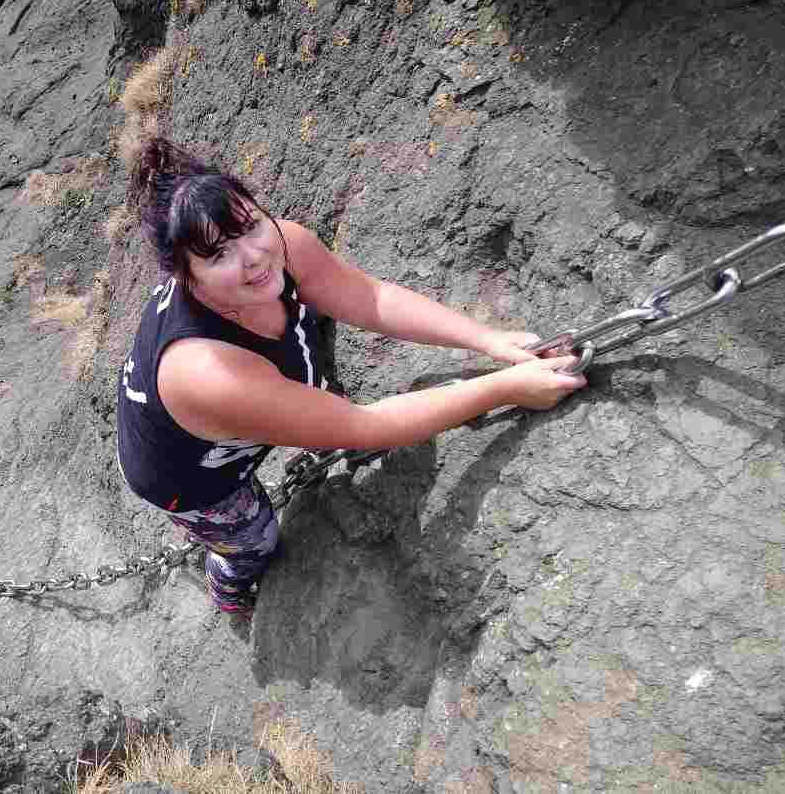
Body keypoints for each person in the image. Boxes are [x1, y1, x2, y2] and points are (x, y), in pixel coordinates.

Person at [115, 138, 587, 614]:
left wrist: (488, 340)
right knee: (253, 538)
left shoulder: (283, 244)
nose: (253, 256)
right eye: (218, 254)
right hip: (185, 472)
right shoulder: (208, 373)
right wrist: (505, 388)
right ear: (183, 277)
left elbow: (369, 299)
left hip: (237, 397)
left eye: (251, 225)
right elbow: (367, 427)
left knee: (301, 353)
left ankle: (309, 422)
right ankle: (229, 587)